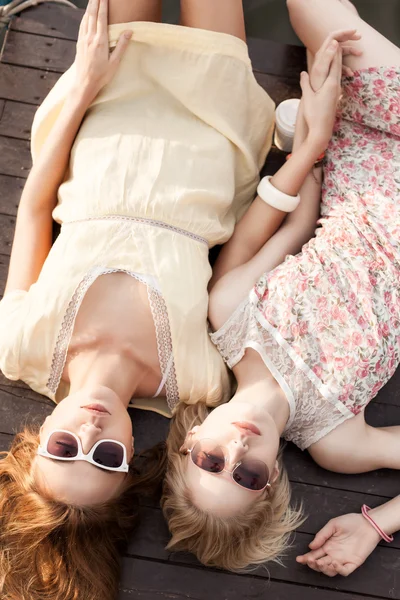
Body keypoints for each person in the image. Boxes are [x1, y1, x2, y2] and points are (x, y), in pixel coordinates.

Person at [0, 1, 275, 598]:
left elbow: (33, 207)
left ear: (36, 436)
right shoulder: (198, 384)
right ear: (131, 459)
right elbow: (235, 268)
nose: (90, 431)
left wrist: (83, 83)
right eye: (103, 458)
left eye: (64, 449)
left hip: (105, 110)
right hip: (213, 130)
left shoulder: (21, 348)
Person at [162, 0, 400, 577]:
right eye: (245, 476)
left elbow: (291, 228)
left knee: (311, 9)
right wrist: (379, 523)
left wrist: (311, 144)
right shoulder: (336, 440)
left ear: (192, 437)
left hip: (371, 158)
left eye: (212, 461)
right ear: (271, 482)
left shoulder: (231, 318)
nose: (237, 451)